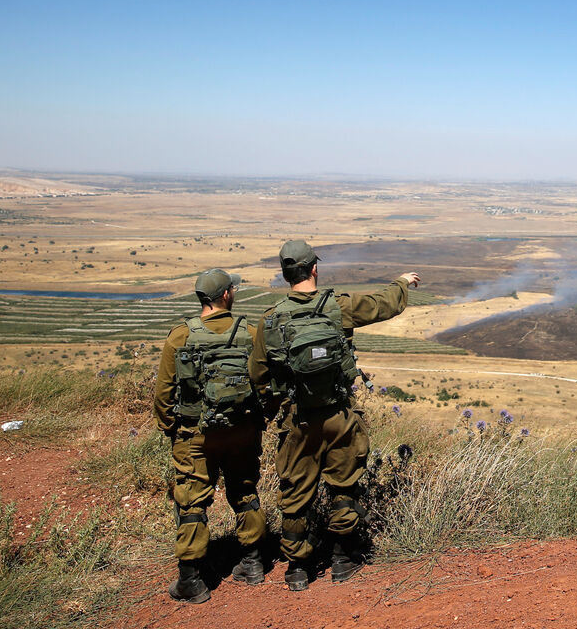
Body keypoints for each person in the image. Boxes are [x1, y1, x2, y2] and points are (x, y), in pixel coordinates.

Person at [250, 239, 419, 591]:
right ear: (315, 269)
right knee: (344, 484)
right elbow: (383, 305)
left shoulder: (270, 320)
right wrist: (401, 282)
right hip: (340, 414)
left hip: (298, 419)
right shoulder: (338, 306)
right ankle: (344, 558)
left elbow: (259, 377)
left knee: (295, 492)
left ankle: (298, 567)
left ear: (285, 276)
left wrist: (272, 411)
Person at [153, 268, 267, 603]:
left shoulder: (180, 336)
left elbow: (163, 395)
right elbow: (264, 382)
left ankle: (191, 579)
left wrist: (172, 430)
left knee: (192, 498)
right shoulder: (250, 331)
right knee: (245, 489)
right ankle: (253, 563)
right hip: (243, 431)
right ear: (226, 295)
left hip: (195, 433)